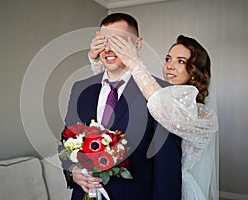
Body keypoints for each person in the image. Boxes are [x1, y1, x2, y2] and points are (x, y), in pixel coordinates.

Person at [60, 13, 182, 200]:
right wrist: (73, 170)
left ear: (137, 44)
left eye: (117, 42)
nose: (108, 49)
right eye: (103, 41)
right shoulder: (80, 88)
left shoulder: (161, 93)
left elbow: (167, 167)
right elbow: (66, 141)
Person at [89, 33, 219, 199]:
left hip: (175, 189)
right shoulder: (162, 96)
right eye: (168, 59)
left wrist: (134, 62)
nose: (170, 66)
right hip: (150, 184)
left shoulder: (199, 113)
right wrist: (97, 63)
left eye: (181, 61)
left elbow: (162, 106)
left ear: (194, 72)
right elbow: (112, 91)